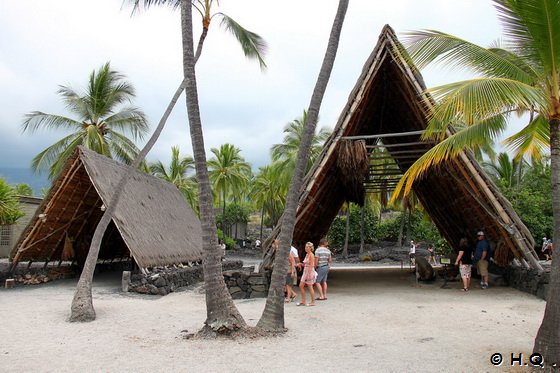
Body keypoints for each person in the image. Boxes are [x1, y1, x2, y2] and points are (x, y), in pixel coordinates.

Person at [297, 242, 317, 306]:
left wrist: (309, 275)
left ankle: (313, 302)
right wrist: (300, 264)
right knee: (301, 286)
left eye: (307, 247)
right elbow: (305, 264)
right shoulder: (307, 254)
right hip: (305, 271)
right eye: (305, 247)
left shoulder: (311, 255)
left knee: (310, 287)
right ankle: (303, 301)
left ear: (310, 248)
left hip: (309, 272)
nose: (306, 248)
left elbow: (311, 265)